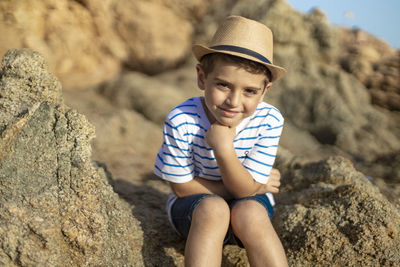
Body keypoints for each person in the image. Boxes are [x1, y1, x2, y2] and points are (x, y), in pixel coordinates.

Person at [154, 15, 288, 267]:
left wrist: (225, 150)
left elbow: (245, 195)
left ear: (264, 91)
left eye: (249, 91)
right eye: (223, 85)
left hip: (249, 208)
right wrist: (254, 185)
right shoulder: (181, 120)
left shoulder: (269, 120)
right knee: (214, 210)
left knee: (250, 212)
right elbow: (181, 188)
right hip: (193, 210)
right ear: (202, 78)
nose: (234, 101)